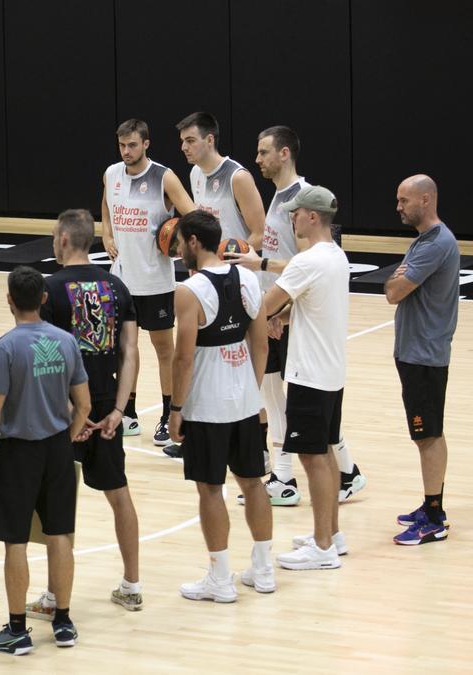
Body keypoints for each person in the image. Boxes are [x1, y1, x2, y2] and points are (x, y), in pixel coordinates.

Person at [231, 126, 365, 507]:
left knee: (288, 400)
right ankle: (321, 473)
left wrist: (276, 305)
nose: (257, 160)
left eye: (263, 152)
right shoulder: (278, 198)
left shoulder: (305, 199)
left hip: (286, 312)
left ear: (284, 154)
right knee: (276, 396)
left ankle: (287, 478)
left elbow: (307, 264)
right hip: (280, 308)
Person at [0, 265, 92, 654]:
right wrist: (65, 439)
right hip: (57, 449)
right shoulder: (65, 341)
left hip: (18, 454)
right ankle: (63, 622)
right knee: (59, 536)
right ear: (43, 298)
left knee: (15, 541)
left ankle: (18, 630)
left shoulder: (5, 348)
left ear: (9, 300)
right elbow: (84, 405)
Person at [40, 208, 143, 611]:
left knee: (53, 502)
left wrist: (72, 411)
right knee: (119, 494)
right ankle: (132, 585)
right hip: (105, 407)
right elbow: (130, 352)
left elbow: (48, 355)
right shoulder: (117, 287)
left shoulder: (49, 289)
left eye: (53, 236)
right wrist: (120, 410)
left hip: (63, 410)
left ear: (65, 240)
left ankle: (53, 595)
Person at [167, 210, 273, 601]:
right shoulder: (249, 277)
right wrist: (251, 388)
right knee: (253, 483)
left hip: (206, 407)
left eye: (179, 242)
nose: (178, 250)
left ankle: (221, 579)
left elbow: (184, 358)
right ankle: (263, 571)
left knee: (210, 490)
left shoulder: (189, 290)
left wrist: (176, 408)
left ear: (194, 241)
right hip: (245, 401)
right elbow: (260, 343)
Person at [259, 186, 349, 570]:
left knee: (312, 459)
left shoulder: (305, 261)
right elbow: (309, 306)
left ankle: (323, 547)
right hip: (331, 370)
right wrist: (284, 316)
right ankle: (331, 533)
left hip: (309, 373)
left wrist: (265, 314)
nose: (291, 218)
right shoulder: (337, 256)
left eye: (296, 213)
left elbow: (263, 304)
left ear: (312, 217)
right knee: (326, 452)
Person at [100, 119, 195, 443]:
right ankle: (128, 411)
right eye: (122, 145)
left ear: (146, 144)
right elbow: (106, 206)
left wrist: (179, 241)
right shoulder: (111, 174)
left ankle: (170, 415)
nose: (126, 151)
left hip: (155, 279)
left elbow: (193, 215)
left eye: (132, 145)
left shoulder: (163, 176)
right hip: (122, 279)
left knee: (163, 348)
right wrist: (107, 232)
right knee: (125, 347)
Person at [385, 175, 459, 545]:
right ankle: (433, 505)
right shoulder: (424, 241)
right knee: (428, 433)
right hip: (416, 352)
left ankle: (433, 517)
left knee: (427, 435)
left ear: (426, 199)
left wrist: (397, 280)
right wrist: (398, 280)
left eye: (404, 200)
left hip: (424, 355)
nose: (398, 206)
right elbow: (396, 285)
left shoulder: (436, 244)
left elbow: (394, 291)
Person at [177, 112, 265, 250]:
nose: (184, 147)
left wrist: (225, 257)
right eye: (182, 141)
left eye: (190, 141)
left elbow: (260, 235)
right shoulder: (195, 172)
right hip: (209, 268)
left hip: (236, 268)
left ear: (210, 140)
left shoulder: (237, 176)